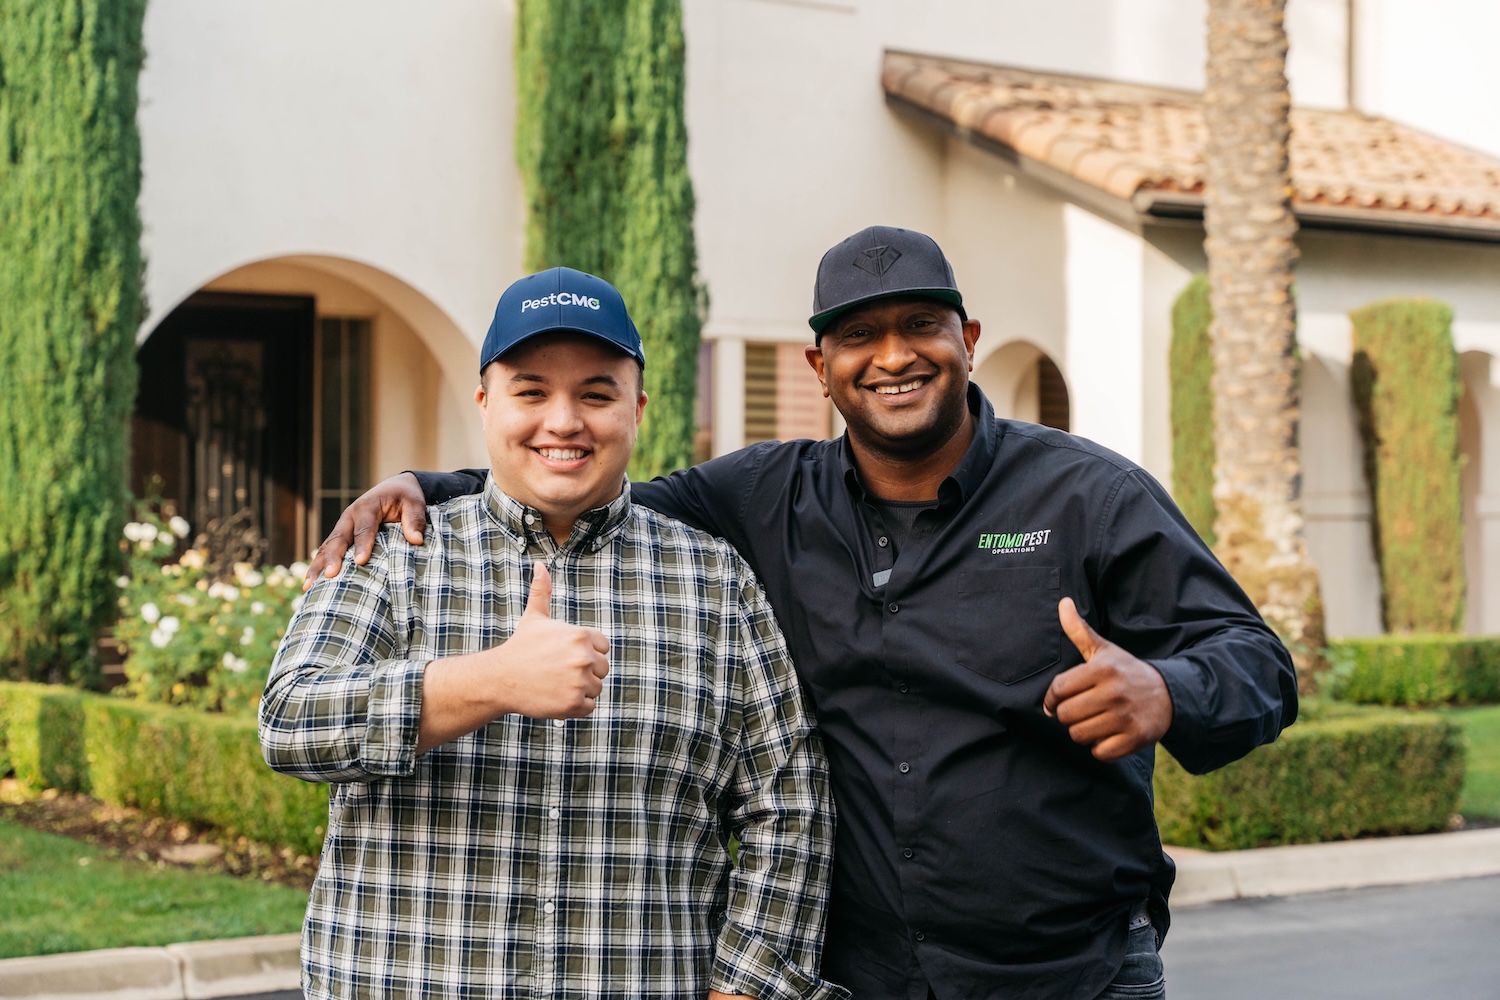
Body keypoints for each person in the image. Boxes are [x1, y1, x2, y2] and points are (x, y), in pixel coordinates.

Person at [308, 228, 1299, 1000]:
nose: (893, 355)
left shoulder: (1089, 497)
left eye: (921, 325)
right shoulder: (762, 497)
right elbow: (585, 480)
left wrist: (1167, 689)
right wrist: (427, 487)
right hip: (860, 972)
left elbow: (1257, 660)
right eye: (860, 335)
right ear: (821, 367)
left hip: (1067, 972)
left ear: (969, 341)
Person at [260, 267, 845, 1000]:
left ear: (637, 406)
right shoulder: (394, 552)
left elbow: (787, 804)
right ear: (484, 403)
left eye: (595, 394)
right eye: (531, 391)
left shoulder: (716, 581)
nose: (563, 421)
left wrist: (745, 989)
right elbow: (288, 722)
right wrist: (488, 682)